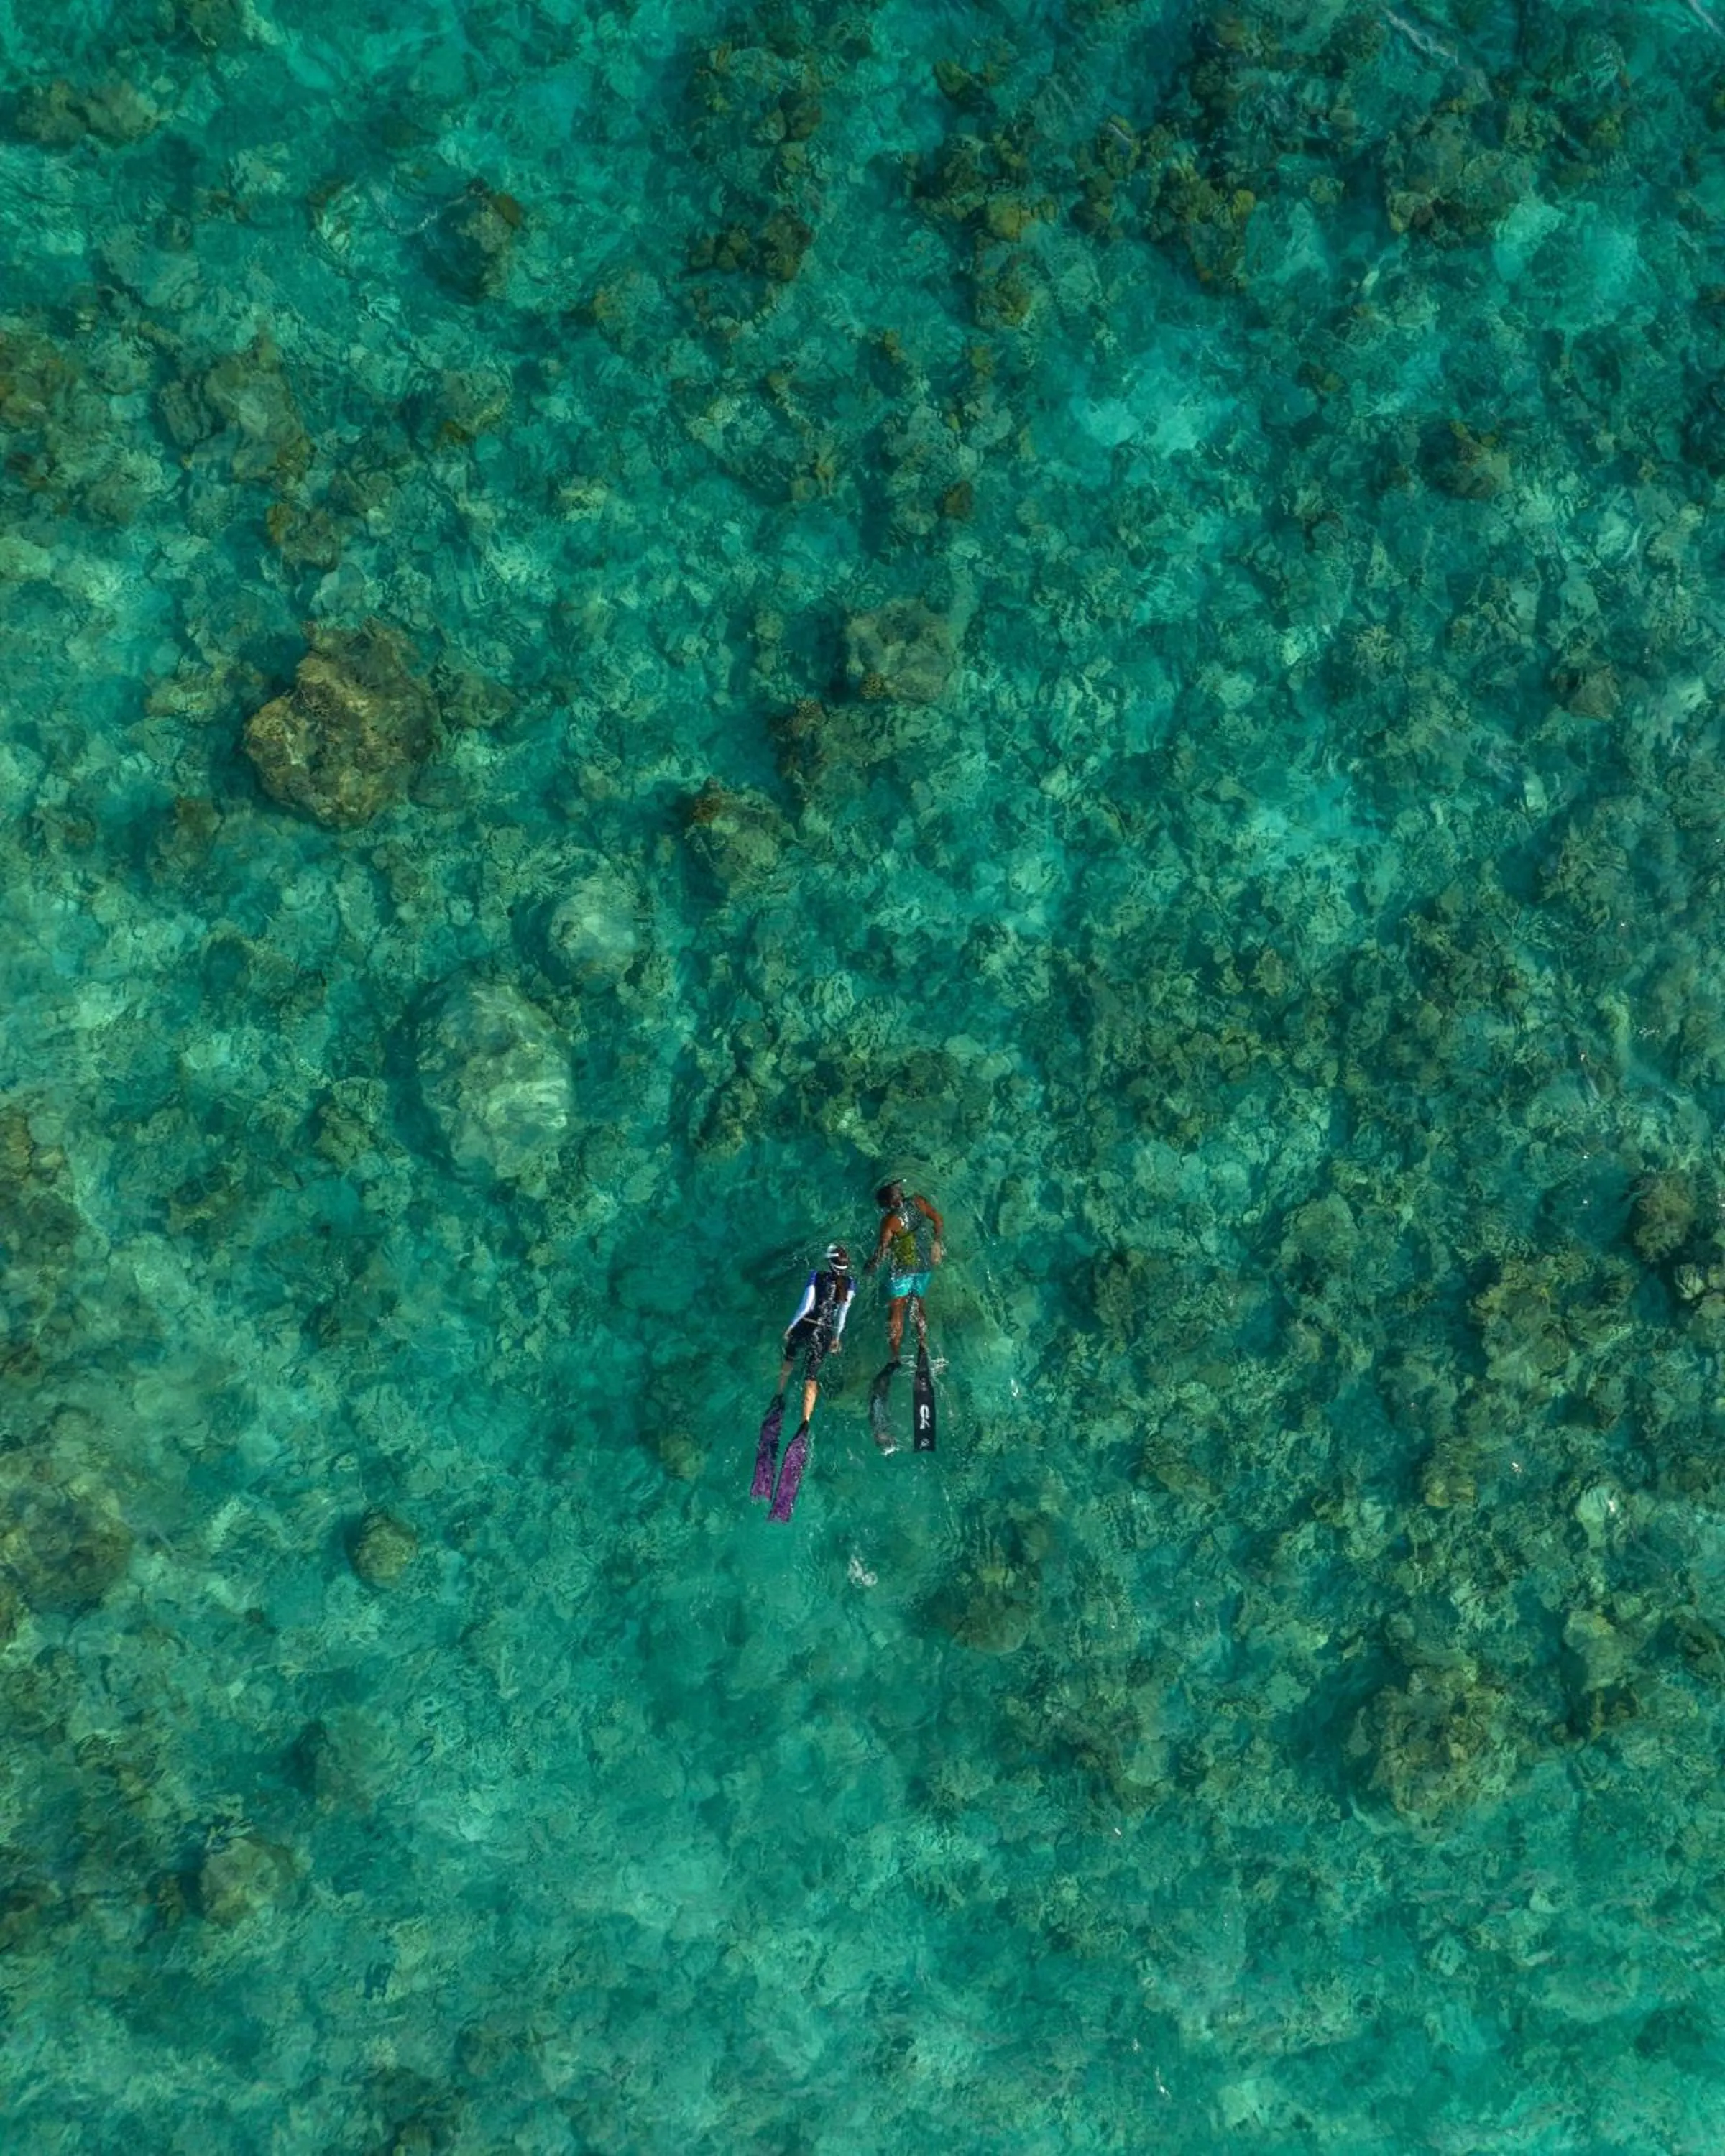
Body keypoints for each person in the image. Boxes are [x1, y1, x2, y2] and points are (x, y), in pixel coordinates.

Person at [751, 1244, 854, 1520]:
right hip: (825, 1333)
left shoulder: (816, 1276)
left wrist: (791, 1326)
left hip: (807, 1324)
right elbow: (841, 1315)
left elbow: (806, 1305)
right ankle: (805, 1421)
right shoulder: (850, 1284)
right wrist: (836, 1337)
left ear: (829, 1262)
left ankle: (780, 1395)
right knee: (811, 1377)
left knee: (789, 1361)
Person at [863, 1179, 944, 1360]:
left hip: (904, 1267)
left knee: (897, 1307)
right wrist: (937, 1243)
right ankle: (923, 1343)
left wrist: (871, 1267)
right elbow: (938, 1220)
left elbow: (882, 1250)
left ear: (891, 1204)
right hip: (924, 1263)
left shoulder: (890, 1221)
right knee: (919, 1302)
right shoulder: (919, 1202)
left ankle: (895, 1355)